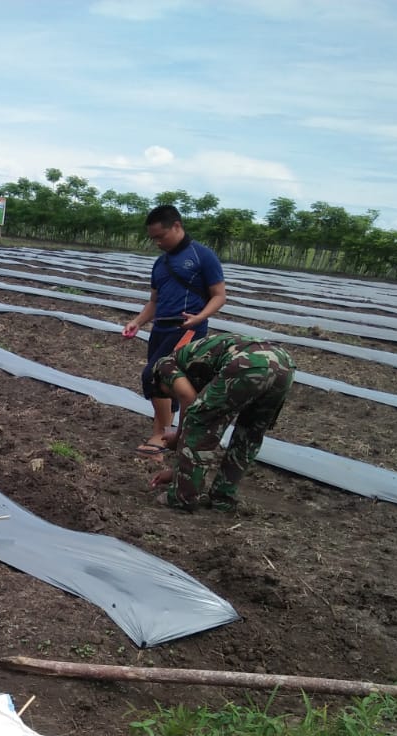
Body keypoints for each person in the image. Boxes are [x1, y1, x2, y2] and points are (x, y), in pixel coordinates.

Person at [146, 332, 294, 512]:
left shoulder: (164, 367)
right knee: (249, 434)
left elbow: (188, 399)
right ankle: (223, 497)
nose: (171, 396)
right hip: (283, 364)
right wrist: (178, 471)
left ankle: (182, 497)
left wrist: (177, 438)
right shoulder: (197, 362)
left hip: (248, 363)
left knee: (200, 422)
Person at [122, 205, 226, 458]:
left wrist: (199, 317)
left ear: (177, 226)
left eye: (161, 236)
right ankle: (177, 433)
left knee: (154, 376)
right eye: (153, 239)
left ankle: (162, 434)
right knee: (168, 383)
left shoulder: (203, 256)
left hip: (187, 328)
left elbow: (219, 296)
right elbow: (154, 301)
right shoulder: (161, 263)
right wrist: (138, 322)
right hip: (161, 328)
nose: (157, 243)